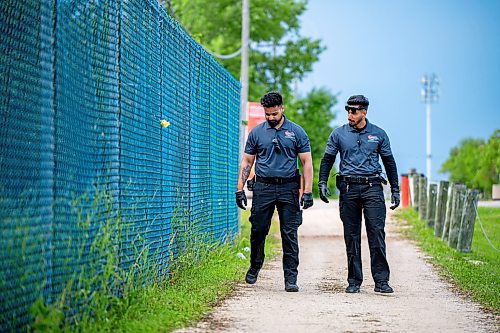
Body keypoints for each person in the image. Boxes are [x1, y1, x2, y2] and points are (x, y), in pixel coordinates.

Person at [318, 94, 400, 294]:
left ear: (364, 112)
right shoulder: (338, 134)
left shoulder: (379, 134)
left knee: (376, 233)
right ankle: (354, 281)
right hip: (348, 189)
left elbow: (389, 162)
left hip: (372, 187)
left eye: (354, 111)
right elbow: (327, 159)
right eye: (347, 110)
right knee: (352, 236)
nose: (349, 114)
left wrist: (395, 189)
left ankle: (381, 281)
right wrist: (322, 181)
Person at [235, 91, 314, 292]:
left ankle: (290, 277)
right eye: (267, 114)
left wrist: (307, 191)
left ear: (282, 108)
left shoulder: (297, 132)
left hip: (288, 188)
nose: (270, 118)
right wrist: (239, 189)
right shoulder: (257, 132)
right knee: (258, 230)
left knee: (289, 233)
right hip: (263, 188)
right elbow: (247, 161)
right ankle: (255, 266)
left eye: (274, 114)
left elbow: (306, 162)